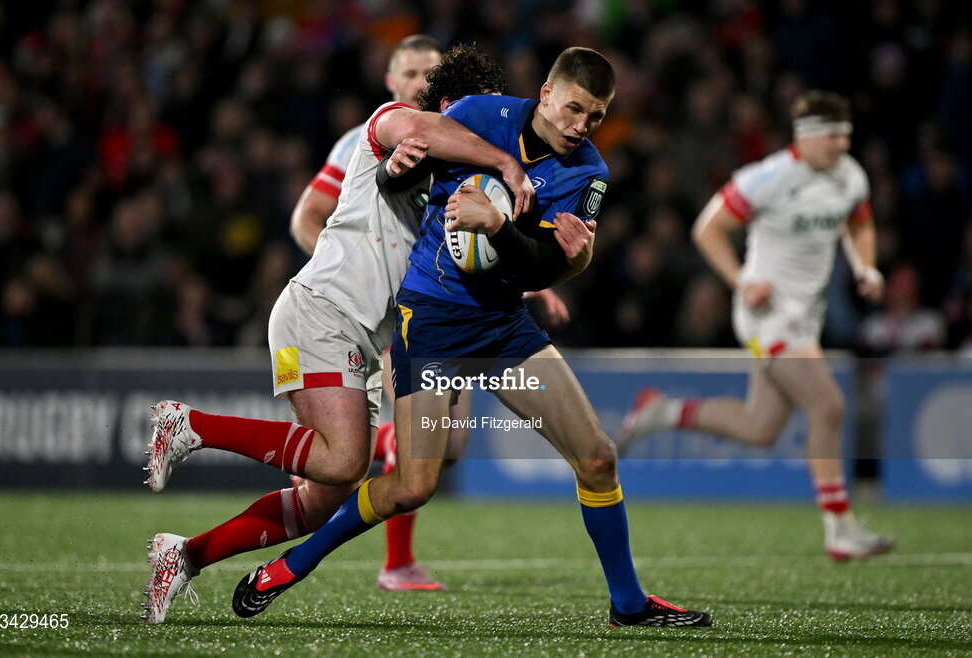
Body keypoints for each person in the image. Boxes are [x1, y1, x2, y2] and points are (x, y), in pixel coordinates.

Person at [230, 47, 713, 629]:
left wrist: (503, 230)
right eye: (575, 109)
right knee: (412, 486)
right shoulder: (483, 116)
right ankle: (291, 566)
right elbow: (395, 179)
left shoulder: (589, 174)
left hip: (503, 325)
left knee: (598, 458)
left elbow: (538, 267)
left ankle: (628, 605)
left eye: (596, 117)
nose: (581, 126)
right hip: (430, 321)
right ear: (546, 94)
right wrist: (396, 166)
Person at [141, 44, 532, 624]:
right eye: (477, 111)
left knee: (319, 501)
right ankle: (190, 425)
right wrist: (492, 163)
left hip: (365, 337)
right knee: (347, 462)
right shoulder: (388, 127)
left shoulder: (464, 187)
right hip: (321, 310)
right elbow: (398, 155)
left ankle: (186, 555)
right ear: (449, 105)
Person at [291, 35, 570, 592]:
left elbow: (474, 234)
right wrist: (348, 270)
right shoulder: (366, 139)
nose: (420, 81)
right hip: (385, 312)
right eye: (410, 72)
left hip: (439, 305)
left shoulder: (458, 138)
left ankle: (353, 486)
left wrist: (529, 281)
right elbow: (307, 216)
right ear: (392, 83)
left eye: (429, 71)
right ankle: (394, 560)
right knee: (399, 449)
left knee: (451, 446)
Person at [617, 90, 894, 561]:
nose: (840, 146)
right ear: (805, 138)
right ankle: (839, 527)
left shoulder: (850, 176)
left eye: (845, 136)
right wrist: (742, 279)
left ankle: (663, 412)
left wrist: (866, 267)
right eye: (831, 137)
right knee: (827, 405)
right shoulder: (769, 177)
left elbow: (860, 225)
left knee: (760, 427)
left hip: (807, 316)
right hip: (767, 314)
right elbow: (707, 228)